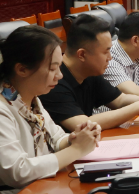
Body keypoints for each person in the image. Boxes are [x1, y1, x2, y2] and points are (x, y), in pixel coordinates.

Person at [0, 26, 102, 192]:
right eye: (52, 68)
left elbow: (55, 138)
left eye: (59, 67)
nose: (60, 75)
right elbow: (18, 172)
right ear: (22, 69)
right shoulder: (3, 109)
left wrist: (76, 138)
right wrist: (77, 149)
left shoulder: (31, 99)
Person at [40, 15, 139, 132]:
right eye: (105, 52)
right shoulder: (54, 81)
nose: (110, 57)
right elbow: (82, 124)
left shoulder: (89, 71)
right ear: (82, 54)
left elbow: (120, 100)